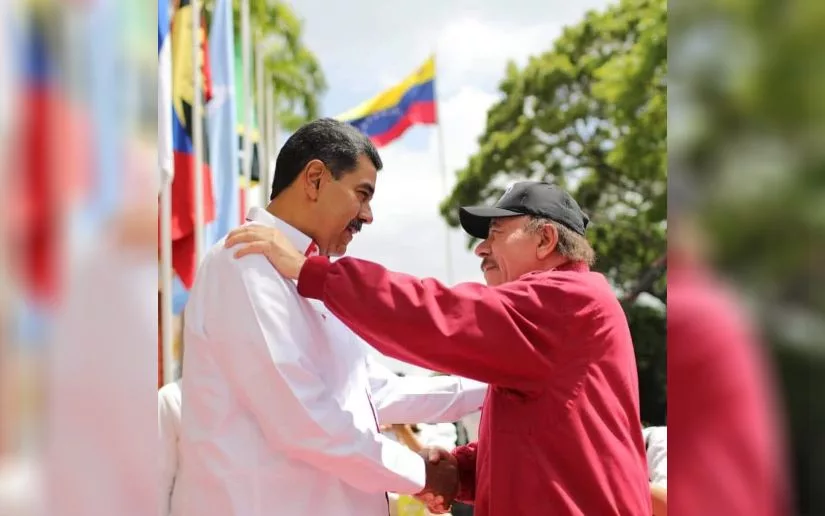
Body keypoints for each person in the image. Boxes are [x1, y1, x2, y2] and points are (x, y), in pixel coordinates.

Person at [225, 180, 652, 515]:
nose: (481, 248)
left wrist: (311, 272)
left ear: (545, 241)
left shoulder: (565, 302)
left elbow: (438, 314)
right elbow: (546, 446)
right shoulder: (566, 310)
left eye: (496, 233)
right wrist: (458, 471)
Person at [175, 118, 487, 516]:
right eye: (362, 194)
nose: (368, 216)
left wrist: (495, 386)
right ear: (315, 179)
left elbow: (371, 392)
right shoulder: (244, 260)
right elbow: (302, 420)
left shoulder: (307, 274)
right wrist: (423, 474)